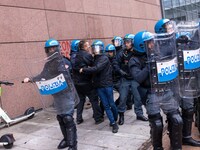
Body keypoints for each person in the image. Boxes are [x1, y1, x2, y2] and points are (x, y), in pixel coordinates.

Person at [132, 25, 182, 149]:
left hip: (166, 91)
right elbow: (138, 78)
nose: (152, 45)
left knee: (176, 119)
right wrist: (150, 65)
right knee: (157, 124)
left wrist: (178, 42)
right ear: (142, 45)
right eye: (149, 43)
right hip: (151, 94)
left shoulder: (157, 52)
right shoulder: (134, 60)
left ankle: (176, 147)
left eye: (152, 42)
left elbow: (170, 54)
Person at [23, 39, 78, 150]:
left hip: (67, 95)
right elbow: (43, 75)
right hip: (57, 96)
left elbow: (67, 78)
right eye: (49, 49)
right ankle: (66, 140)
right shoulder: (48, 64)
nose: (51, 50)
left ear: (57, 48)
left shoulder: (64, 62)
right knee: (61, 118)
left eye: (53, 48)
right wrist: (31, 79)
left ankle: (73, 144)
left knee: (68, 118)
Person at [79, 40, 119, 133]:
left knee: (111, 104)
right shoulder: (94, 59)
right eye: (94, 48)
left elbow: (97, 69)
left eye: (97, 48)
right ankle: (113, 123)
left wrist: (84, 70)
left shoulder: (104, 58)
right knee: (106, 105)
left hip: (107, 85)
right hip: (99, 86)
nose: (95, 50)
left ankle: (115, 118)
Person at [176, 20, 200, 147]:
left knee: (189, 109)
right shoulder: (172, 47)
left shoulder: (192, 48)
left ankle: (186, 136)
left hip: (188, 83)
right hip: (174, 85)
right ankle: (175, 137)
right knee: (174, 114)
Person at [117, 34, 148, 125]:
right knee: (123, 98)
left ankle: (139, 114)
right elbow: (115, 64)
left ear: (133, 43)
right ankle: (121, 115)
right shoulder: (122, 53)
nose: (126, 44)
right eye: (125, 42)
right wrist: (120, 71)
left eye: (128, 42)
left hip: (135, 79)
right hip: (125, 79)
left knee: (138, 98)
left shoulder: (138, 53)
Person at [72, 40, 104, 125]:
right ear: (84, 47)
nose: (89, 47)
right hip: (86, 82)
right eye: (88, 46)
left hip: (77, 83)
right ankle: (98, 118)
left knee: (80, 100)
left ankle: (79, 119)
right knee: (94, 100)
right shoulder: (87, 55)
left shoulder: (75, 55)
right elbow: (94, 66)